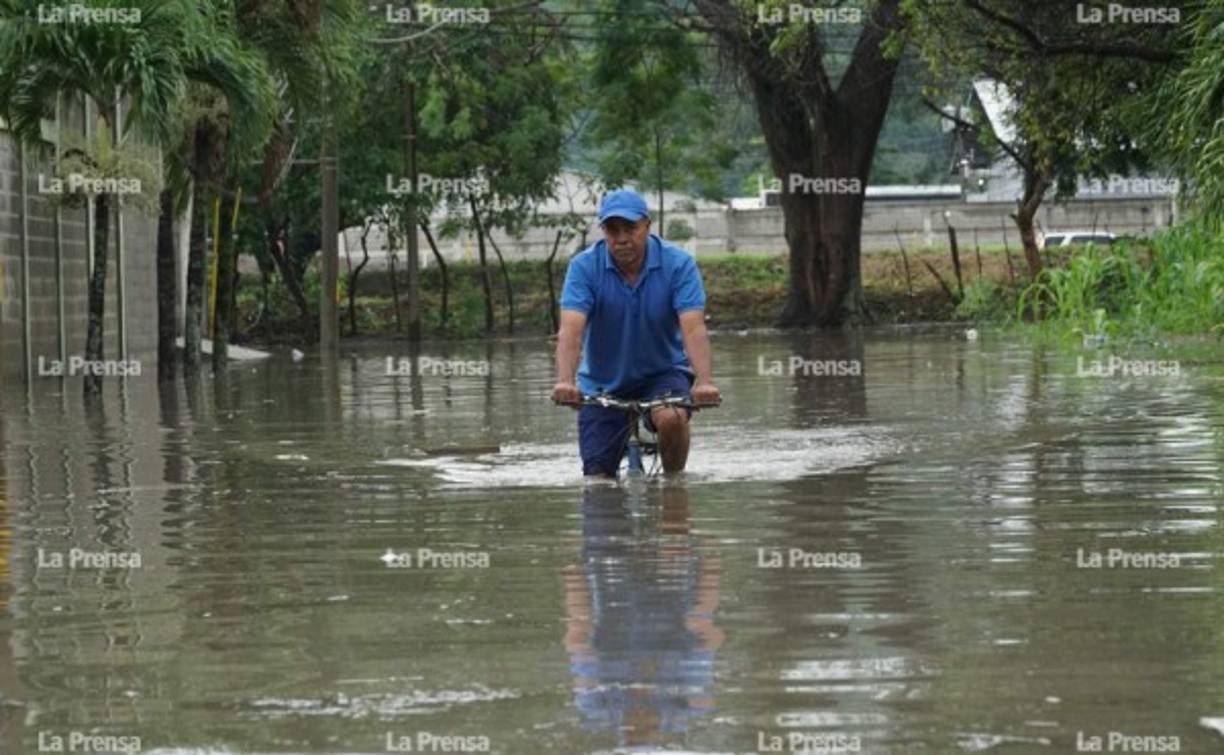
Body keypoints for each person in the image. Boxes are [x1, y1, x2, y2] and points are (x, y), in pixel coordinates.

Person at [552, 188, 721, 477]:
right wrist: (566, 381)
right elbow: (570, 332)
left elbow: (693, 329)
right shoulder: (584, 267)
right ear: (604, 231)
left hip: (663, 372)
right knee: (597, 481)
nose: (621, 239)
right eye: (612, 230)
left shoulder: (678, 264)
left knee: (672, 416)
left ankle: (674, 490)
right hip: (602, 382)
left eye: (630, 228)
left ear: (647, 226)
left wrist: (704, 382)